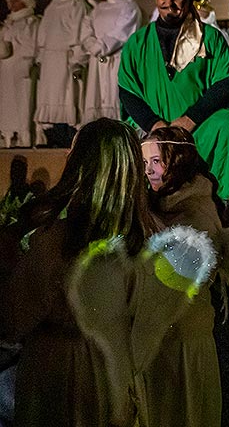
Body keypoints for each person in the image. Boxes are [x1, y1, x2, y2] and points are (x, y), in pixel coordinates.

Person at [0, 118, 158, 426]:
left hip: (58, 374)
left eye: (73, 153)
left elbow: (12, 317)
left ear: (83, 169)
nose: (65, 159)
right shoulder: (147, 241)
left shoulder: (58, 242)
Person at [119, 0, 229, 199]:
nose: (168, 3)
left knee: (228, 125)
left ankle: (225, 209)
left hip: (197, 130)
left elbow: (225, 84)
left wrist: (187, 122)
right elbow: (128, 93)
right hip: (151, 132)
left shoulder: (211, 38)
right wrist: (158, 127)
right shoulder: (137, 43)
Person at [141, 126, 229, 427]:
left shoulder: (197, 212)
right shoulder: (156, 206)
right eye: (144, 163)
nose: (149, 171)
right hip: (159, 344)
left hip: (184, 345)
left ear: (176, 161)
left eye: (156, 161)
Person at [34, 0, 94, 147]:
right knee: (49, 97)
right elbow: (43, 34)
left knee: (69, 96)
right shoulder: (51, 6)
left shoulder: (78, 5)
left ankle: (68, 137)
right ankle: (51, 136)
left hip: (66, 58)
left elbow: (80, 33)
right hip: (50, 59)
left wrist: (77, 58)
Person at [77, 0, 142, 123]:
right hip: (97, 60)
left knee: (114, 93)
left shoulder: (129, 5)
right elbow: (86, 28)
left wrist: (101, 46)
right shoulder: (98, 9)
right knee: (96, 95)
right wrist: (91, 44)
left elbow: (123, 30)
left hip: (116, 57)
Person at [0, 0, 39, 148]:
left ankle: (25, 138)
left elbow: (34, 45)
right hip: (7, 69)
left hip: (24, 67)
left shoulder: (33, 21)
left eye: (16, 0)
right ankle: (8, 136)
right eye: (10, 1)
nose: (12, 4)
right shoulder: (7, 24)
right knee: (7, 105)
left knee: (24, 103)